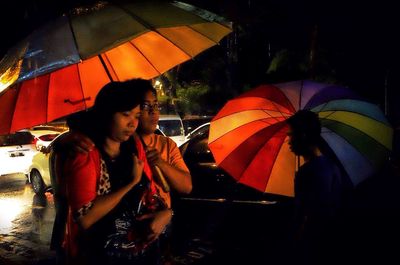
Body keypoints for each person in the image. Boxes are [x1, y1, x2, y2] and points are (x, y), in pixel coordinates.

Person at [62, 80, 172, 265]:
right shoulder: (86, 153)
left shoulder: (134, 147)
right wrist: (131, 183)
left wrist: (167, 214)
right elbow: (85, 218)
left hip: (145, 255)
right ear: (106, 113)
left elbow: (150, 195)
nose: (132, 123)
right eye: (125, 114)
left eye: (137, 116)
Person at [286, 110, 345, 265]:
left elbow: (311, 215)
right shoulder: (332, 166)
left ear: (303, 135)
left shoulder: (309, 171)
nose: (288, 141)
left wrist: (296, 245)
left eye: (291, 135)